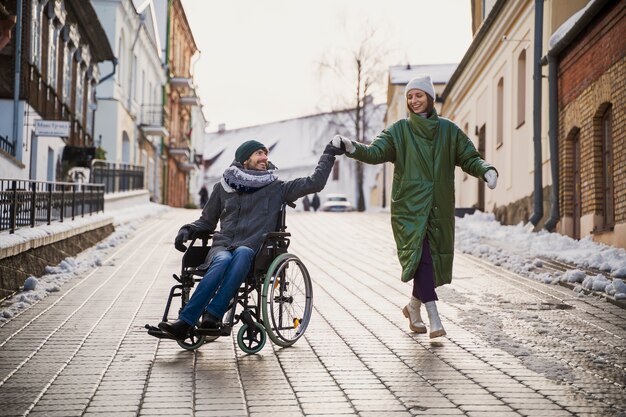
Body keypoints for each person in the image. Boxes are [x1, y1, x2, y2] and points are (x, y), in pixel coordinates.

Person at [332, 74, 498, 338]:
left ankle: (412, 307)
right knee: (421, 258)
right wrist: (353, 147)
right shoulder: (399, 130)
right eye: (410, 97)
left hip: (438, 207)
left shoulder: (449, 130)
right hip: (409, 208)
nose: (413, 100)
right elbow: (376, 152)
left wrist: (486, 170)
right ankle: (434, 316)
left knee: (428, 261)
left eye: (418, 95)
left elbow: (468, 156)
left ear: (430, 97)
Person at [158, 139, 344, 340]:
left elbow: (315, 182)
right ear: (245, 159)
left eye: (266, 154)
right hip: (223, 246)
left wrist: (329, 154)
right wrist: (188, 230)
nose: (265, 157)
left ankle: (212, 315)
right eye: (259, 153)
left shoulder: (277, 188)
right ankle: (185, 323)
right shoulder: (223, 188)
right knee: (222, 260)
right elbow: (207, 221)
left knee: (242, 253)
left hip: (255, 250)